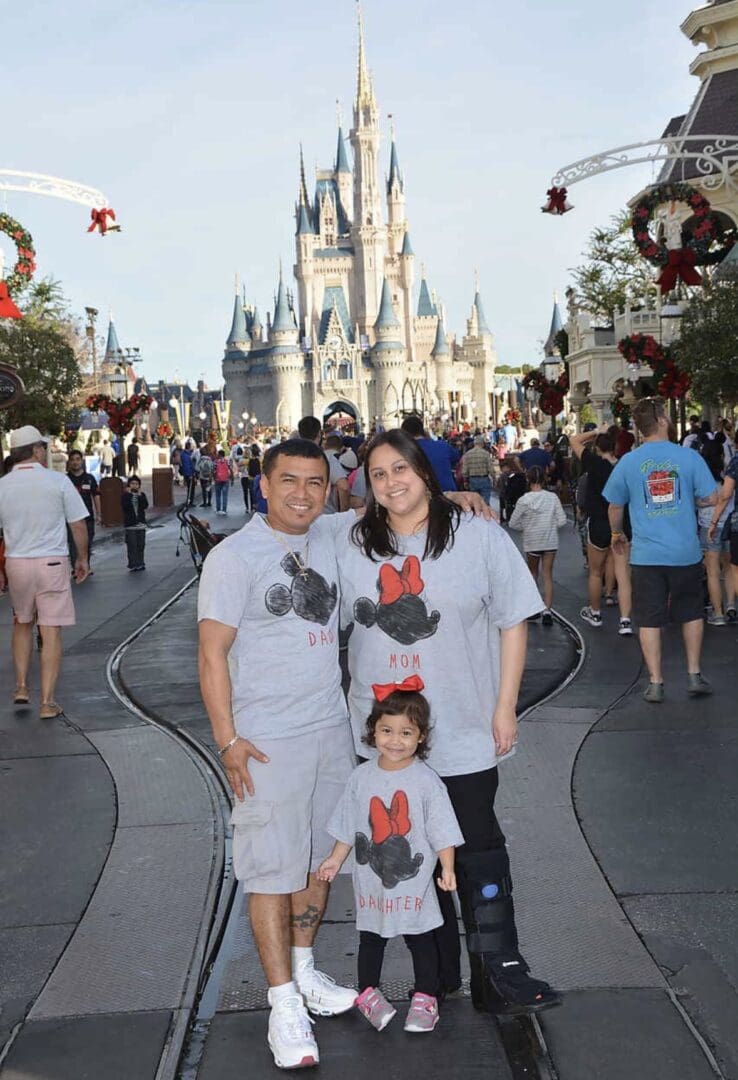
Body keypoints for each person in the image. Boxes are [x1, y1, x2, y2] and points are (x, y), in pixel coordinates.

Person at [336, 430, 559, 1015]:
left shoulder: (478, 536)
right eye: (378, 474)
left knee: (476, 846)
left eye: (400, 469)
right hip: (385, 737)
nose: (391, 483)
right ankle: (437, 979)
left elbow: (514, 621)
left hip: (461, 726)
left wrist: (505, 705)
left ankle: (499, 968)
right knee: (409, 852)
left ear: (426, 472)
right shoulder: (349, 541)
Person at [198, 439, 358, 1070]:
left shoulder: (331, 535)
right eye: (289, 481)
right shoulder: (234, 558)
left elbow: (402, 504)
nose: (302, 494)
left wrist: (455, 494)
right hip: (264, 742)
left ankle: (306, 969)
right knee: (270, 870)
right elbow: (211, 656)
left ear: (329, 488)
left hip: (329, 730)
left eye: (315, 483)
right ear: (262, 485)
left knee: (318, 865)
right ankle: (282, 1002)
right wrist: (227, 741)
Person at [317, 677, 464, 1034]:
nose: (395, 741)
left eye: (406, 733)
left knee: (421, 937)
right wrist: (336, 859)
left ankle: (426, 997)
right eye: (387, 731)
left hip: (414, 885)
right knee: (371, 937)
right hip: (372, 882)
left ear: (421, 737)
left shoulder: (427, 781)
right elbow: (350, 822)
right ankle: (368, 993)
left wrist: (447, 867)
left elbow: (442, 828)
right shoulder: (361, 777)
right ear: (373, 732)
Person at [604, 398, 718, 702]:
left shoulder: (628, 462)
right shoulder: (688, 458)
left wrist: (617, 533)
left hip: (646, 556)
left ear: (639, 429)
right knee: (691, 613)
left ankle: (655, 682)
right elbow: (711, 497)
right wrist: (691, 501)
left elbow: (614, 505)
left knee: (650, 618)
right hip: (685, 552)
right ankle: (694, 674)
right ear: (663, 420)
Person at [0, 425, 89, 718]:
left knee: (22, 622)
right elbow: (78, 524)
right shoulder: (58, 481)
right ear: (37, 450)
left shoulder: (3, 485)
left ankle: (22, 686)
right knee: (50, 631)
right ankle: (48, 702)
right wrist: (82, 559)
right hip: (51, 562)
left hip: (17, 563)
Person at [570, 428, 633, 636]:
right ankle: (625, 620)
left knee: (596, 572)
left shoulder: (593, 463)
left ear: (597, 448)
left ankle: (595, 612)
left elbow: (574, 440)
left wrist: (596, 431)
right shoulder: (625, 465)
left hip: (598, 522)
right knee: (623, 575)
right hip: (622, 523)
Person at [508, 466, 566, 625]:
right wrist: (550, 525)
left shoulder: (524, 500)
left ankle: (533, 609)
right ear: (544, 479)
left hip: (532, 541)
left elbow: (513, 523)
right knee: (547, 575)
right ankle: (547, 611)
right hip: (550, 541)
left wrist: (526, 527)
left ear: (528, 480)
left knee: (532, 574)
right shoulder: (552, 498)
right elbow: (562, 520)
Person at [699, 438, 735, 625]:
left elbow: (696, 501)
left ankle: (718, 613)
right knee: (728, 568)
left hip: (708, 526)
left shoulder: (701, 478)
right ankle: (731, 605)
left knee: (712, 571)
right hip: (728, 525)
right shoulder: (727, 475)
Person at [707, 447, 738, 617]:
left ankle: (723, 610)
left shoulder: (735, 462)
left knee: (734, 567)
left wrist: (714, 521)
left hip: (735, 523)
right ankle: (731, 605)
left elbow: (725, 495)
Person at [400, 415, 457, 491]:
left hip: (423, 496)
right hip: (448, 493)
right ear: (422, 430)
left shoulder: (403, 452)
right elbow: (456, 459)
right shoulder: (442, 445)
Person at [66, 449, 101, 573]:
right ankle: (76, 567)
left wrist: (99, 514)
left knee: (87, 542)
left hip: (87, 517)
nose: (75, 462)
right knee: (73, 543)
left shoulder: (89, 478)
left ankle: (86, 565)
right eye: (73, 460)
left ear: (81, 461)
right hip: (71, 518)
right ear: (69, 462)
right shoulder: (65, 479)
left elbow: (96, 495)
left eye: (77, 459)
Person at [461, 435, 498, 506]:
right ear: (482, 444)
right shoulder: (486, 454)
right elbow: (490, 468)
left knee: (475, 502)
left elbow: (465, 470)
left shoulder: (468, 454)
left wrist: (465, 481)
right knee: (485, 502)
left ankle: (477, 515)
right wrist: (494, 478)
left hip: (472, 480)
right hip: (484, 479)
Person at [121, 475, 148, 571]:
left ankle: (141, 563)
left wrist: (140, 496)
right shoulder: (125, 496)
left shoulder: (142, 495)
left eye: (136, 484)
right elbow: (125, 506)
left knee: (141, 544)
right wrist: (129, 495)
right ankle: (133, 563)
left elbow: (145, 505)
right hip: (130, 525)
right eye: (132, 484)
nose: (134, 486)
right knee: (132, 545)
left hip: (140, 525)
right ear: (129, 485)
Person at [213, 450, 232, 515]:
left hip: (218, 480)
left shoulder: (216, 462)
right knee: (225, 495)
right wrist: (232, 479)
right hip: (226, 480)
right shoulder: (227, 461)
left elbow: (214, 471)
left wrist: (214, 478)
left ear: (220, 455)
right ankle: (224, 510)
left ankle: (218, 509)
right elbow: (230, 470)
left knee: (218, 495)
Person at [180, 441, 197, 507]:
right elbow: (189, 465)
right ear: (189, 447)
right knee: (191, 488)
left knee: (190, 487)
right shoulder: (188, 456)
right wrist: (192, 473)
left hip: (186, 473)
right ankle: (190, 501)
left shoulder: (183, 454)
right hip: (189, 473)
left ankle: (189, 500)